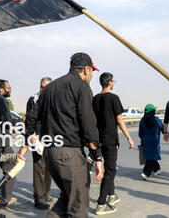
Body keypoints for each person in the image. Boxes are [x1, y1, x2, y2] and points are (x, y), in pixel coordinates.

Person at [28, 52, 104, 218]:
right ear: (86, 69)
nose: (91, 75)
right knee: (78, 207)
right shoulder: (81, 86)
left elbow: (32, 116)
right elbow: (88, 124)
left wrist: (30, 137)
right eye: (92, 71)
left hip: (49, 153)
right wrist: (97, 156)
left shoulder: (49, 88)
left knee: (67, 198)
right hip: (69, 153)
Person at [92, 72, 134, 215]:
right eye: (113, 81)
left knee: (108, 168)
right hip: (110, 140)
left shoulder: (95, 99)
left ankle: (111, 196)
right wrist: (129, 137)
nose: (113, 83)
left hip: (98, 140)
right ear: (109, 83)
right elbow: (120, 120)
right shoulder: (114, 98)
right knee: (110, 171)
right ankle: (101, 204)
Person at [25, 77, 53, 210]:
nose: (43, 89)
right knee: (39, 168)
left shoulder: (55, 99)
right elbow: (29, 119)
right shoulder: (33, 100)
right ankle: (39, 199)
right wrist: (32, 135)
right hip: (37, 139)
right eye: (41, 87)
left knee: (49, 169)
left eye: (46, 87)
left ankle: (45, 194)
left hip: (51, 138)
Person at [139, 104, 164, 181]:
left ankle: (157, 169)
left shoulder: (142, 120)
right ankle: (146, 173)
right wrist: (168, 134)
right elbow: (163, 129)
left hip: (146, 141)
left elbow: (140, 134)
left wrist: (143, 138)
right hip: (155, 141)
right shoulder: (156, 119)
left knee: (150, 156)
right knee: (152, 157)